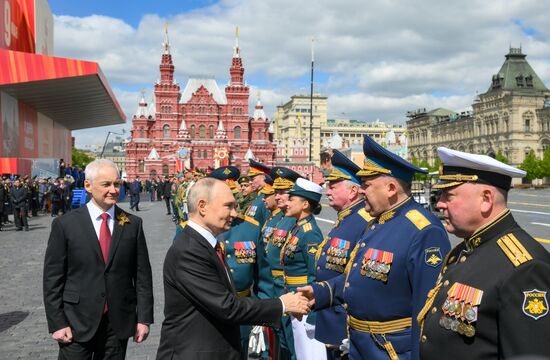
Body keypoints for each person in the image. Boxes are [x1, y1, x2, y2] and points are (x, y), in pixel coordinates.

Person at [299, 135, 450, 360]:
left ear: (390, 188)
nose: (361, 191)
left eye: (367, 185)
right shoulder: (377, 222)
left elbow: (426, 311)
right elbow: (360, 277)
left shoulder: (424, 230)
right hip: (361, 345)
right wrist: (322, 292)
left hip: (392, 352)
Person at [156, 177, 311, 360]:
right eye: (228, 206)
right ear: (202, 206)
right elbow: (227, 307)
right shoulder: (190, 250)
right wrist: (283, 304)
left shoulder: (203, 245)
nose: (235, 213)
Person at [417, 147, 550, 359]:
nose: (440, 203)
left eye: (448, 195)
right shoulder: (464, 250)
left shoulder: (524, 268)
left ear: (486, 199)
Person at [43, 159, 154, 359]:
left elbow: (142, 276)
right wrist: (57, 323)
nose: (113, 190)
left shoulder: (132, 224)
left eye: (117, 184)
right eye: (106, 184)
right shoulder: (65, 224)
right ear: (88, 185)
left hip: (118, 322)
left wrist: (144, 319)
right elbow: (52, 279)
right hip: (76, 322)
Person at [314, 149, 373, 360]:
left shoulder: (364, 222)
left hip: (345, 320)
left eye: (333, 186)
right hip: (330, 314)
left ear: (353, 191)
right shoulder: (346, 218)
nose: (327, 191)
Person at [265, 167, 303, 359]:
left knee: (292, 341)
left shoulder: (294, 221)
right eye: (276, 192)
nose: (277, 196)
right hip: (272, 286)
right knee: (281, 339)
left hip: (285, 286)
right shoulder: (278, 218)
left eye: (282, 192)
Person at [244, 159, 271, 226]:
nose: (250, 182)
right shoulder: (259, 197)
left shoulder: (267, 198)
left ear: (264, 178)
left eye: (253, 179)